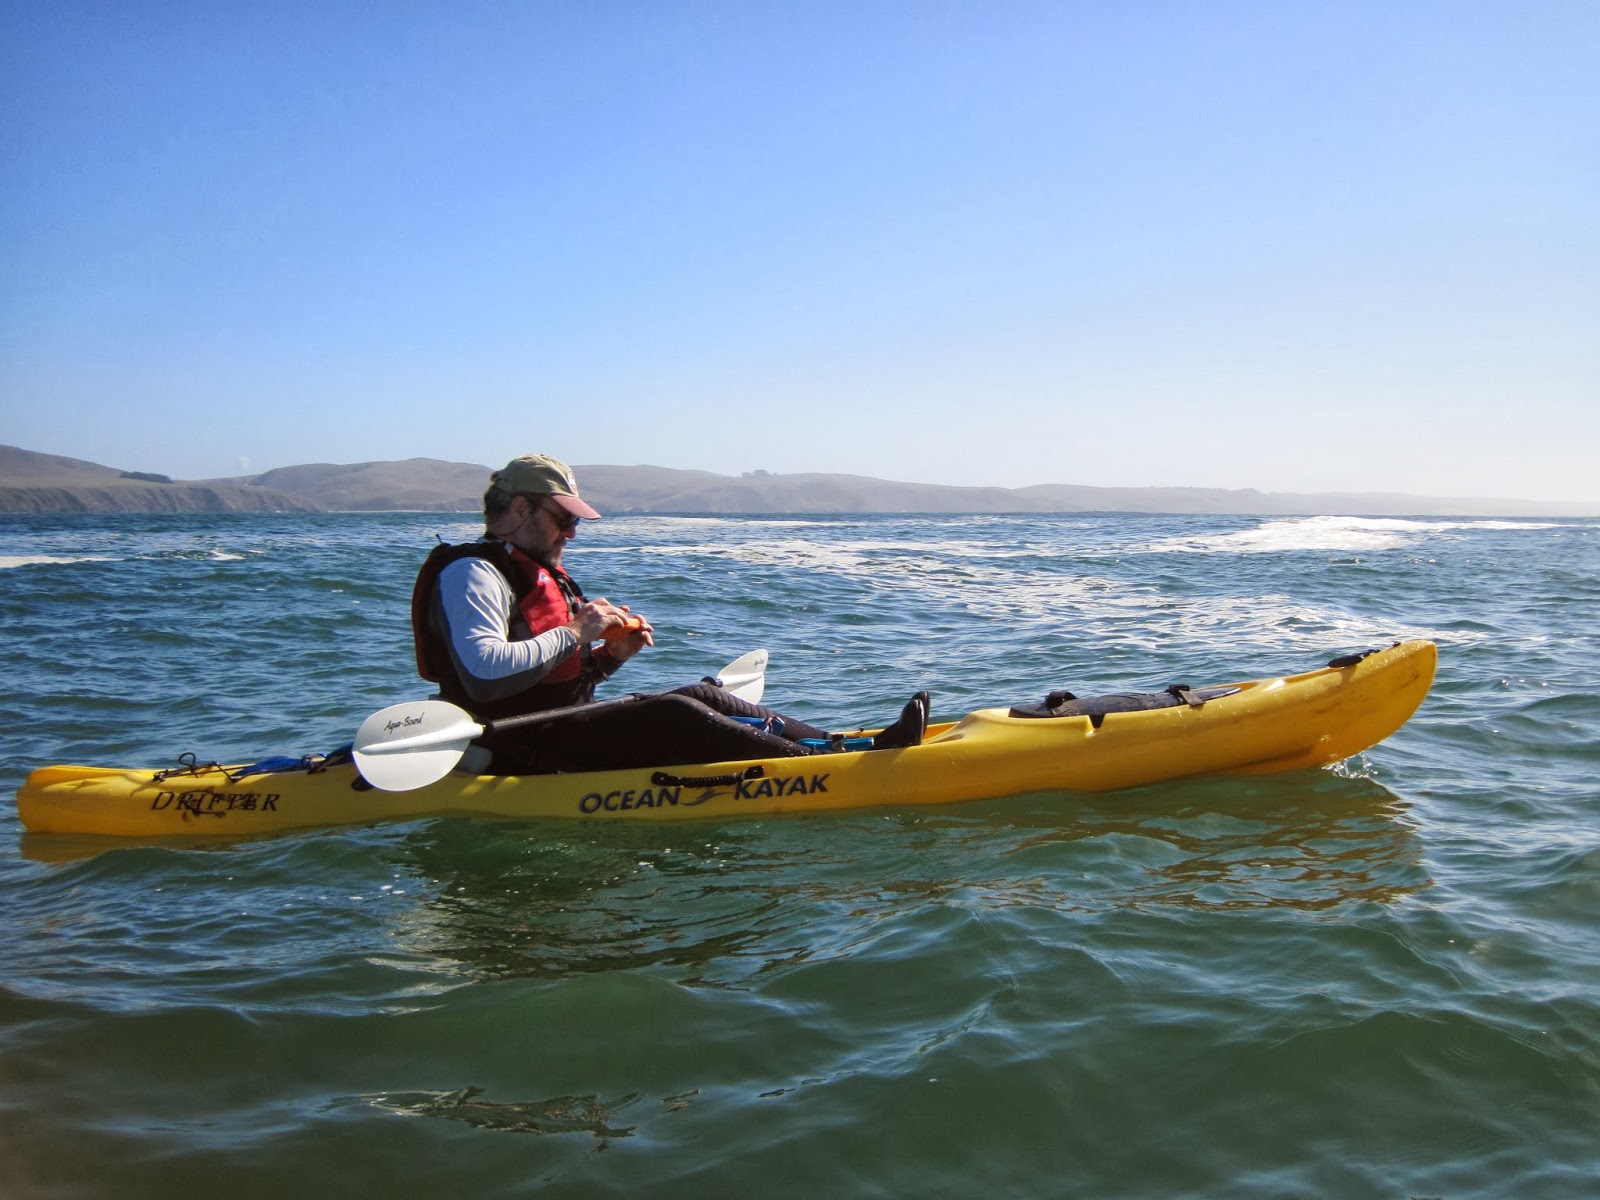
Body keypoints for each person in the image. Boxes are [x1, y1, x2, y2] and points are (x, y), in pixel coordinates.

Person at [411, 453, 927, 774]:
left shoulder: (535, 566)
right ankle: (825, 770)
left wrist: (609, 658)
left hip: (555, 723)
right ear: (520, 509)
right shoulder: (473, 573)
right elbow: (485, 672)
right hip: (516, 742)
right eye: (561, 518)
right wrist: (576, 630)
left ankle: (853, 745)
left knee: (702, 694)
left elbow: (548, 681)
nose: (571, 532)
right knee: (673, 715)